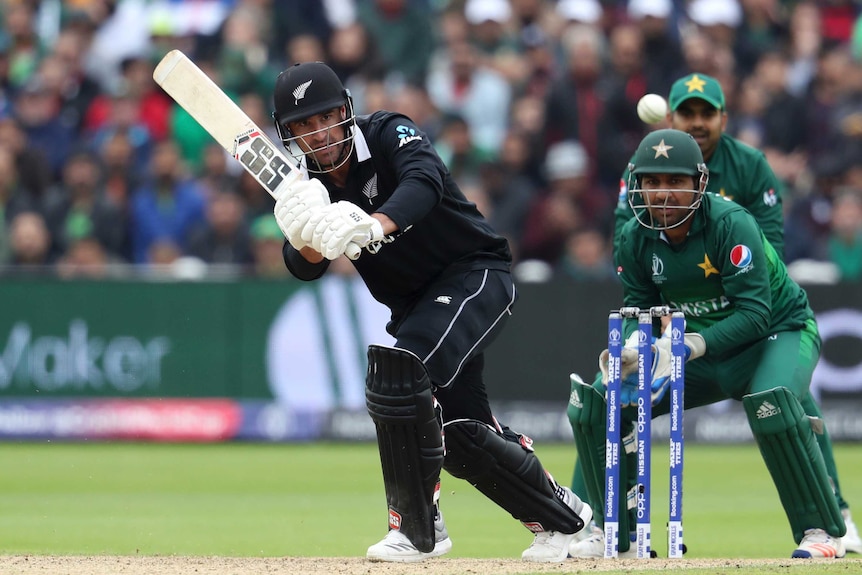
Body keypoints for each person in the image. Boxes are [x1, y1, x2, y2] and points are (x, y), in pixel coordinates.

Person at [269, 61, 591, 563]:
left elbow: (426, 181)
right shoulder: (304, 183)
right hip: (417, 306)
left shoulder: (388, 131)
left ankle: (418, 532)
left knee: (400, 371)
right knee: (465, 437)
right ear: (288, 134)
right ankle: (570, 525)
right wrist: (307, 238)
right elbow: (302, 265)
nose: (320, 134)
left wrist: (374, 225)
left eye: (327, 118)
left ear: (346, 113)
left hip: (475, 273)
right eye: (304, 127)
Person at [569, 72, 861, 556]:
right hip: (702, 342)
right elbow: (639, 307)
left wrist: (687, 344)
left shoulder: (732, 224)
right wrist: (630, 350)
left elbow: (757, 313)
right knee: (605, 399)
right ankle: (610, 532)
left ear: (700, 183)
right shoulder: (635, 237)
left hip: (776, 331)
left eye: (676, 183)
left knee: (775, 399)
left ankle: (822, 531)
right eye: (652, 183)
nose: (663, 194)